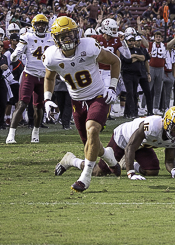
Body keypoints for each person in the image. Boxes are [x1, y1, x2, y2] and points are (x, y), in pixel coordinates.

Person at [43, 16, 122, 193]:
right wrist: (47, 99)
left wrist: (112, 87)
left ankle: (85, 178)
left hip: (98, 96)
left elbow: (115, 61)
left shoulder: (89, 46)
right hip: (77, 101)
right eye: (64, 36)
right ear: (56, 39)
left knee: (93, 130)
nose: (68, 39)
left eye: (71, 34)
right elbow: (49, 77)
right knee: (91, 143)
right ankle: (108, 156)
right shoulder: (51, 57)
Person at [58, 106, 175, 180]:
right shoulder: (151, 125)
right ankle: (71, 160)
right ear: (167, 121)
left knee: (152, 170)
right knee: (99, 171)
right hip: (124, 138)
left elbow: (169, 160)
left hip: (142, 143)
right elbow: (130, 146)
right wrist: (131, 173)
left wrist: (173, 170)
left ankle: (125, 162)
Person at [6, 14, 54, 144]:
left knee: (39, 107)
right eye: (38, 24)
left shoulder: (52, 37)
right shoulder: (27, 36)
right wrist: (16, 54)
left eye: (43, 24)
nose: (40, 26)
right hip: (30, 74)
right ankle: (11, 134)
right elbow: (19, 50)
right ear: (34, 25)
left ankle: (35, 132)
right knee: (22, 103)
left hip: (45, 76)